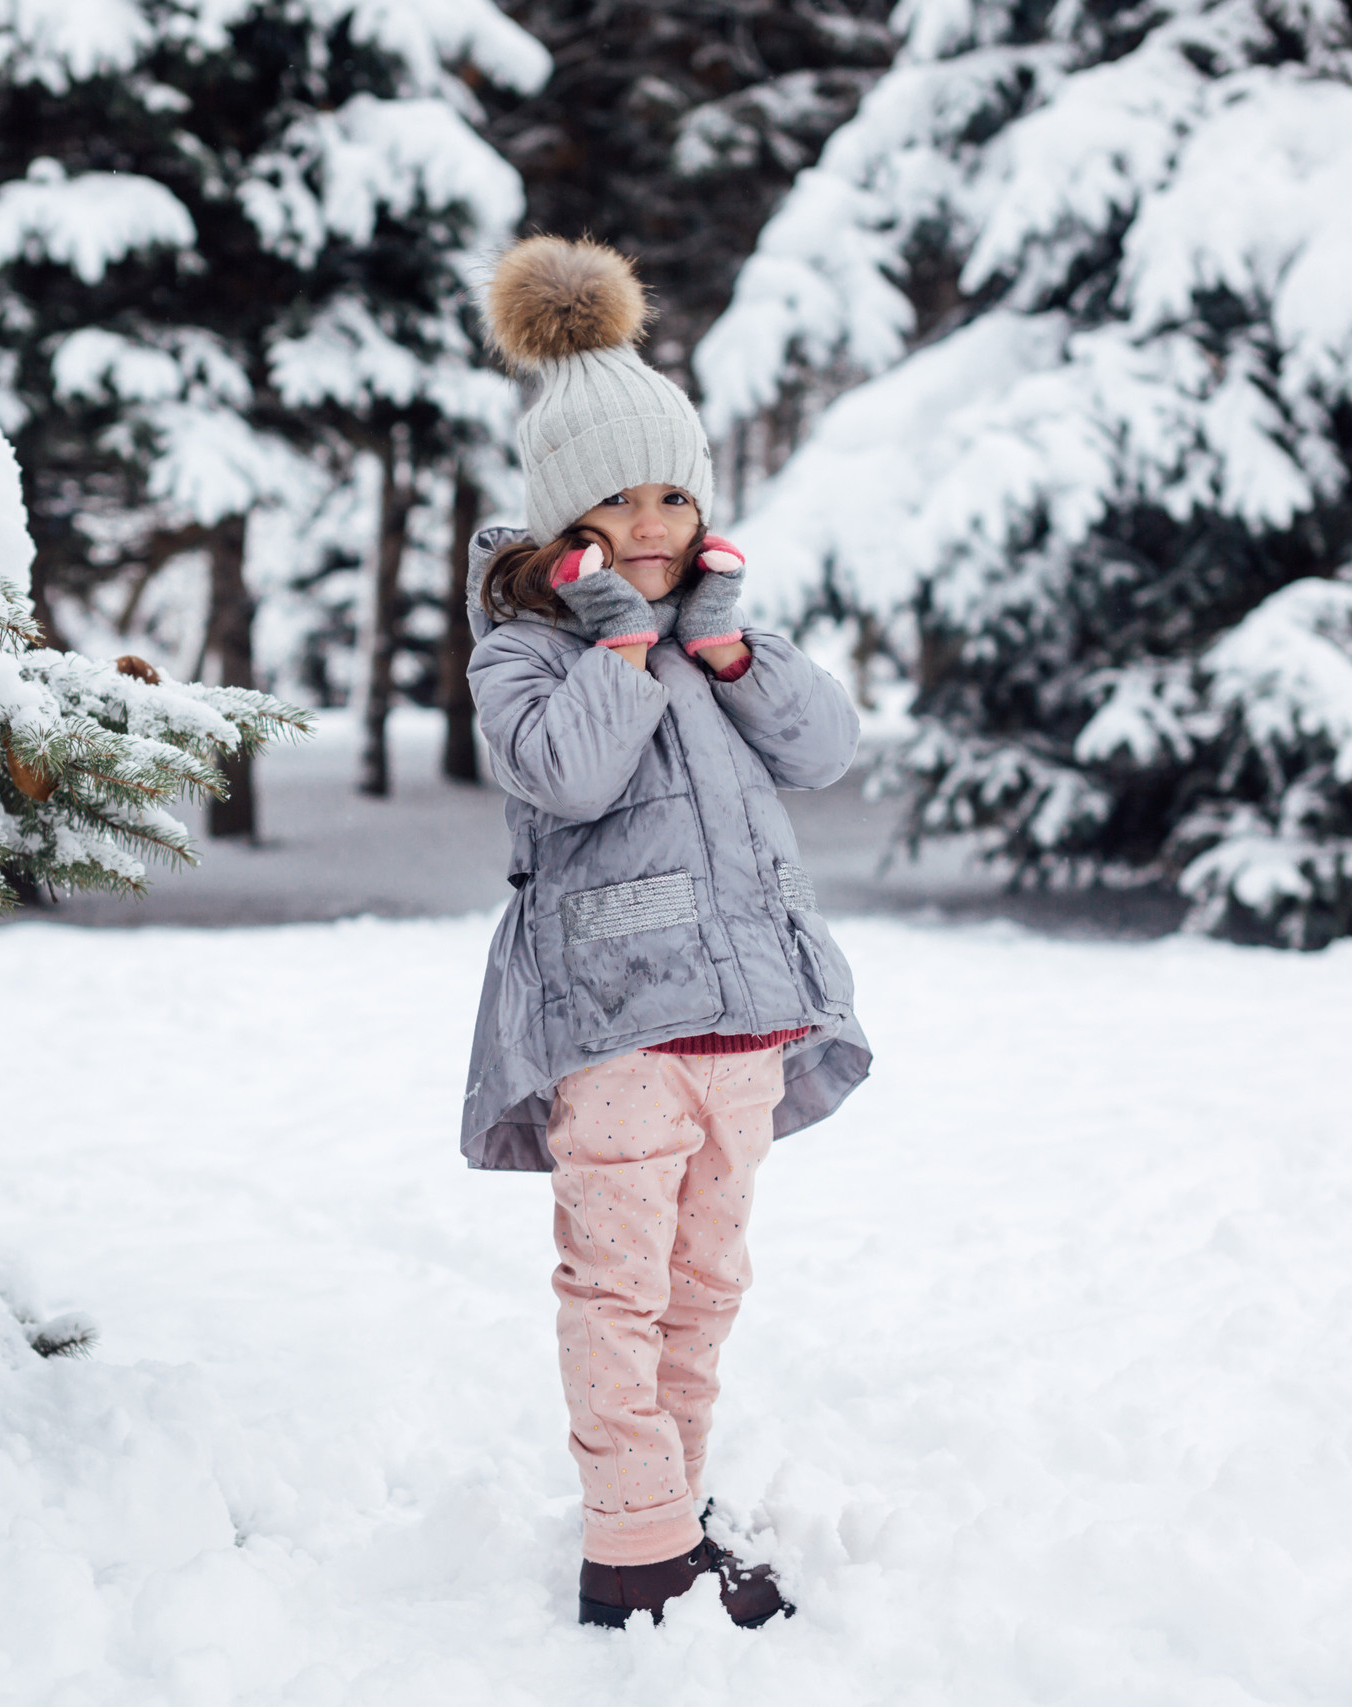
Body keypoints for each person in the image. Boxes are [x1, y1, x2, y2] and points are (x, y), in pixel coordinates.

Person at [458, 236, 873, 1630]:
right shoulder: (532, 650)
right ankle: (631, 1552)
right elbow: (566, 777)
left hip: (745, 1021)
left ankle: (672, 1512)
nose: (653, 522)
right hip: (620, 1027)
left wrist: (729, 649)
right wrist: (624, 643)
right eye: (618, 500)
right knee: (619, 1289)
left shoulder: (714, 638)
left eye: (676, 494)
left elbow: (825, 750)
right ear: (562, 520)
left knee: (704, 1291)